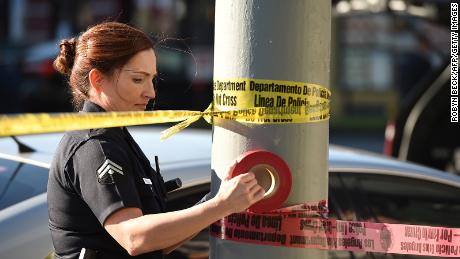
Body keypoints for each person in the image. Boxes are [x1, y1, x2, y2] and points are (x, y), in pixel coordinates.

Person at [47, 22, 265, 259]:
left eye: (153, 80)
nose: (151, 93)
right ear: (98, 79)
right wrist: (221, 205)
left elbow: (157, 242)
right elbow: (135, 238)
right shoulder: (96, 145)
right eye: (139, 79)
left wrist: (214, 200)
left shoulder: (115, 136)